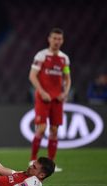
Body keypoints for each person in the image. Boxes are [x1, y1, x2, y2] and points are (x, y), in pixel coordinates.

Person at [28, 28, 71, 172]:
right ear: (49, 39)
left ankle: (51, 164)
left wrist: (65, 93)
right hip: (43, 97)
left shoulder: (64, 59)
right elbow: (32, 76)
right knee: (41, 128)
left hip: (57, 99)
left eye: (59, 39)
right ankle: (32, 160)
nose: (57, 41)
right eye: (54, 38)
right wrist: (42, 91)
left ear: (62, 40)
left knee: (54, 130)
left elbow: (67, 78)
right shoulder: (41, 56)